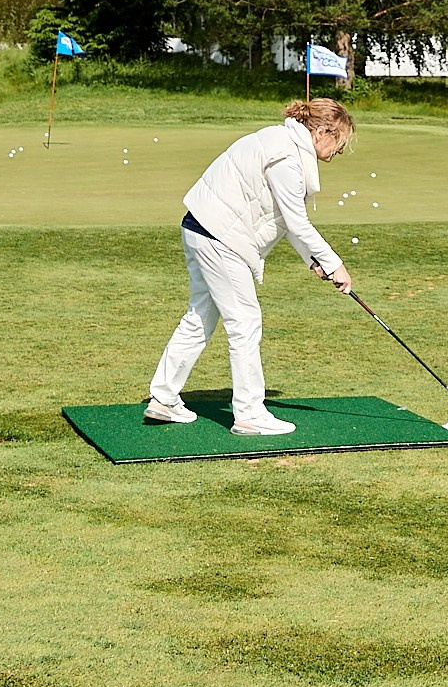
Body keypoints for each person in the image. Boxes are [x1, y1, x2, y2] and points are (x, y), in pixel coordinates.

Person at [146, 100, 354, 436]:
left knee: (202, 314)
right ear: (321, 131)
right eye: (340, 141)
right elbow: (298, 222)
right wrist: (335, 263)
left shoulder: (280, 141)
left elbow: (287, 221)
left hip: (199, 225)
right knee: (244, 321)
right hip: (220, 235)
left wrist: (315, 261)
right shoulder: (287, 157)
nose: (341, 151)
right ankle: (249, 414)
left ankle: (164, 397)